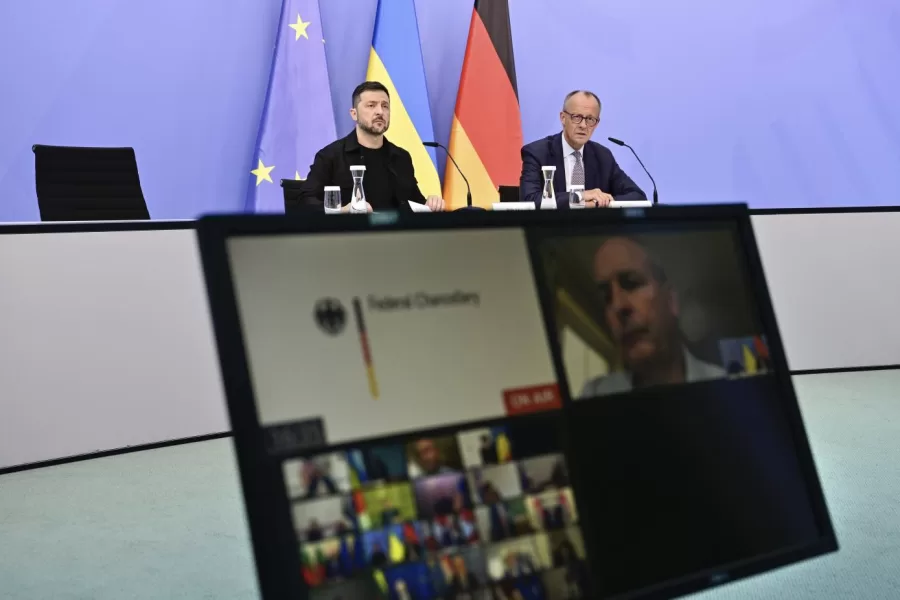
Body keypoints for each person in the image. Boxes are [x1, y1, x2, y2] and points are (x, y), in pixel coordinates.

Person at [579, 237, 726, 397]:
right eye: (607, 297)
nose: (617, 306)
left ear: (671, 300)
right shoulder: (594, 394)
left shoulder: (726, 384)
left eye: (632, 283)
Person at [300, 81, 446, 213]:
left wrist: (431, 204)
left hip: (397, 238)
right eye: (371, 105)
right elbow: (306, 202)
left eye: (385, 106)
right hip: (349, 237)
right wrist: (343, 211)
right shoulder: (330, 156)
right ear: (354, 114)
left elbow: (414, 203)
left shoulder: (401, 157)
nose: (380, 112)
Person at [519, 90, 646, 209]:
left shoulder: (602, 156)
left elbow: (638, 196)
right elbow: (529, 200)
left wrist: (600, 202)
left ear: (596, 124)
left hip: (592, 231)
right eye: (576, 117)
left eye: (590, 119)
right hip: (552, 229)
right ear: (563, 118)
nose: (583, 125)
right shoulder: (537, 152)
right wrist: (580, 196)